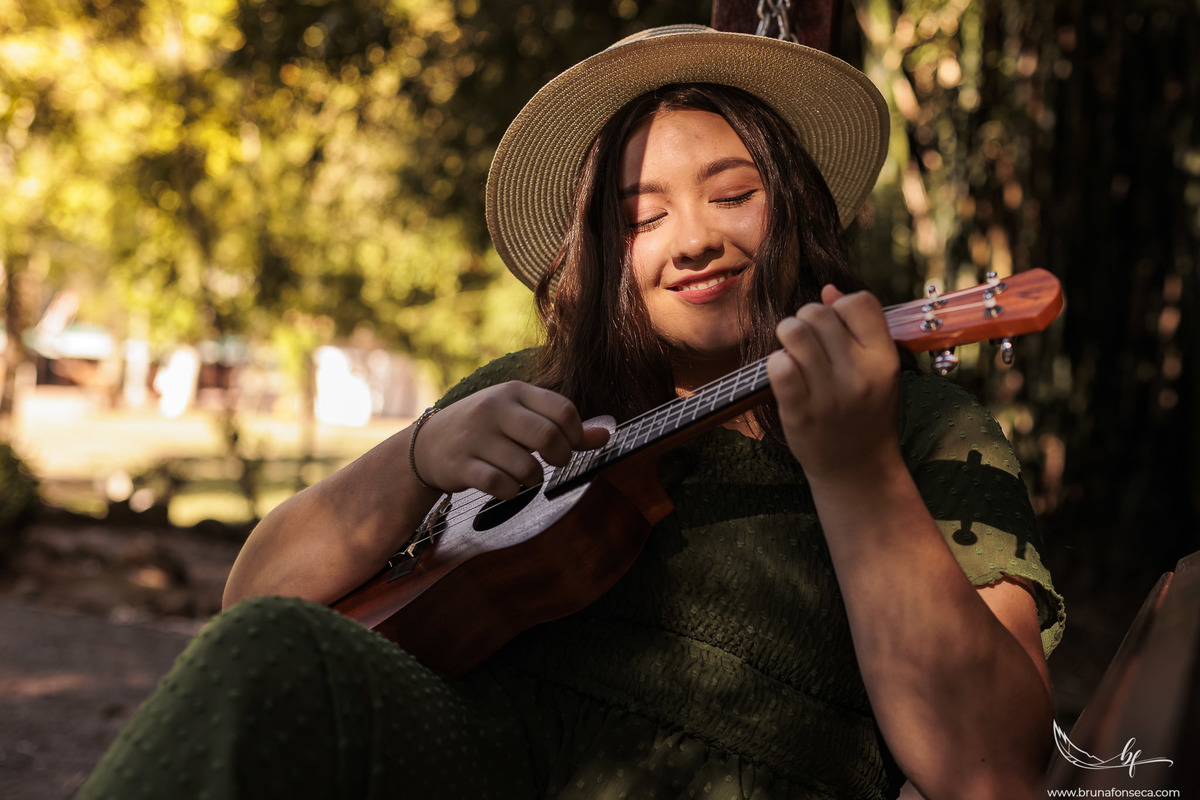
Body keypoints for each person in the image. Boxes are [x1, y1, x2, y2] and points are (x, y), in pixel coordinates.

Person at [78, 25, 1064, 800]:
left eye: (735, 194)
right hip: (476, 759)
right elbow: (254, 610)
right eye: (641, 217)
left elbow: (992, 771)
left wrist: (856, 468)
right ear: (593, 255)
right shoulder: (534, 390)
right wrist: (418, 457)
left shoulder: (924, 425)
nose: (694, 241)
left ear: (798, 208)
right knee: (272, 655)